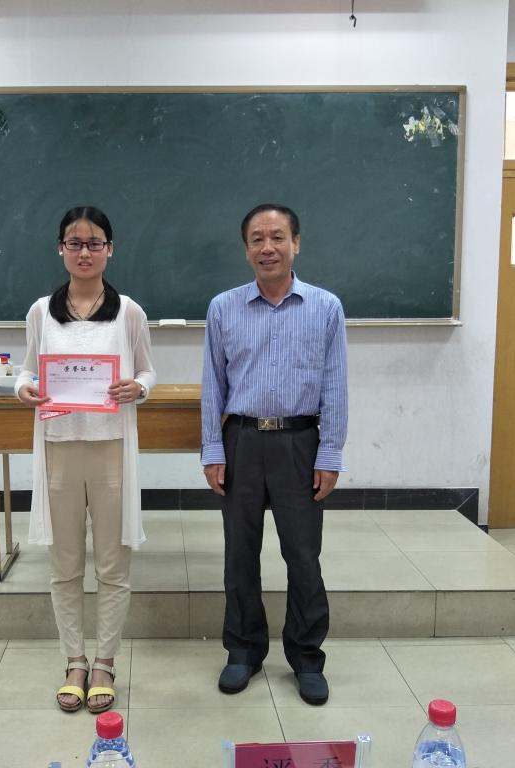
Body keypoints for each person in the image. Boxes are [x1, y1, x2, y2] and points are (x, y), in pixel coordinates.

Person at [200, 203, 348, 706]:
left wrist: (329, 454)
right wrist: (213, 449)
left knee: (303, 555)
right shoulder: (223, 308)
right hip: (242, 441)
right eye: (257, 239)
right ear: (246, 249)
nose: (268, 247)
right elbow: (213, 386)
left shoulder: (326, 307)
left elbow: (335, 384)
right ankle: (243, 650)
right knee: (239, 554)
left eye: (278, 237)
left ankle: (306, 657)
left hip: (300, 444)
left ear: (296, 243)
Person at [15, 205, 156, 714]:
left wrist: (138, 387)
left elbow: (148, 371)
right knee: (65, 564)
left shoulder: (129, 311)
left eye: (95, 243)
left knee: (113, 564)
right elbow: (26, 371)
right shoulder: (40, 312)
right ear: (60, 248)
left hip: (110, 448)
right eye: (74, 243)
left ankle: (104, 663)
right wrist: (24, 388)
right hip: (59, 448)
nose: (84, 252)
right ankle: (74, 660)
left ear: (109, 250)